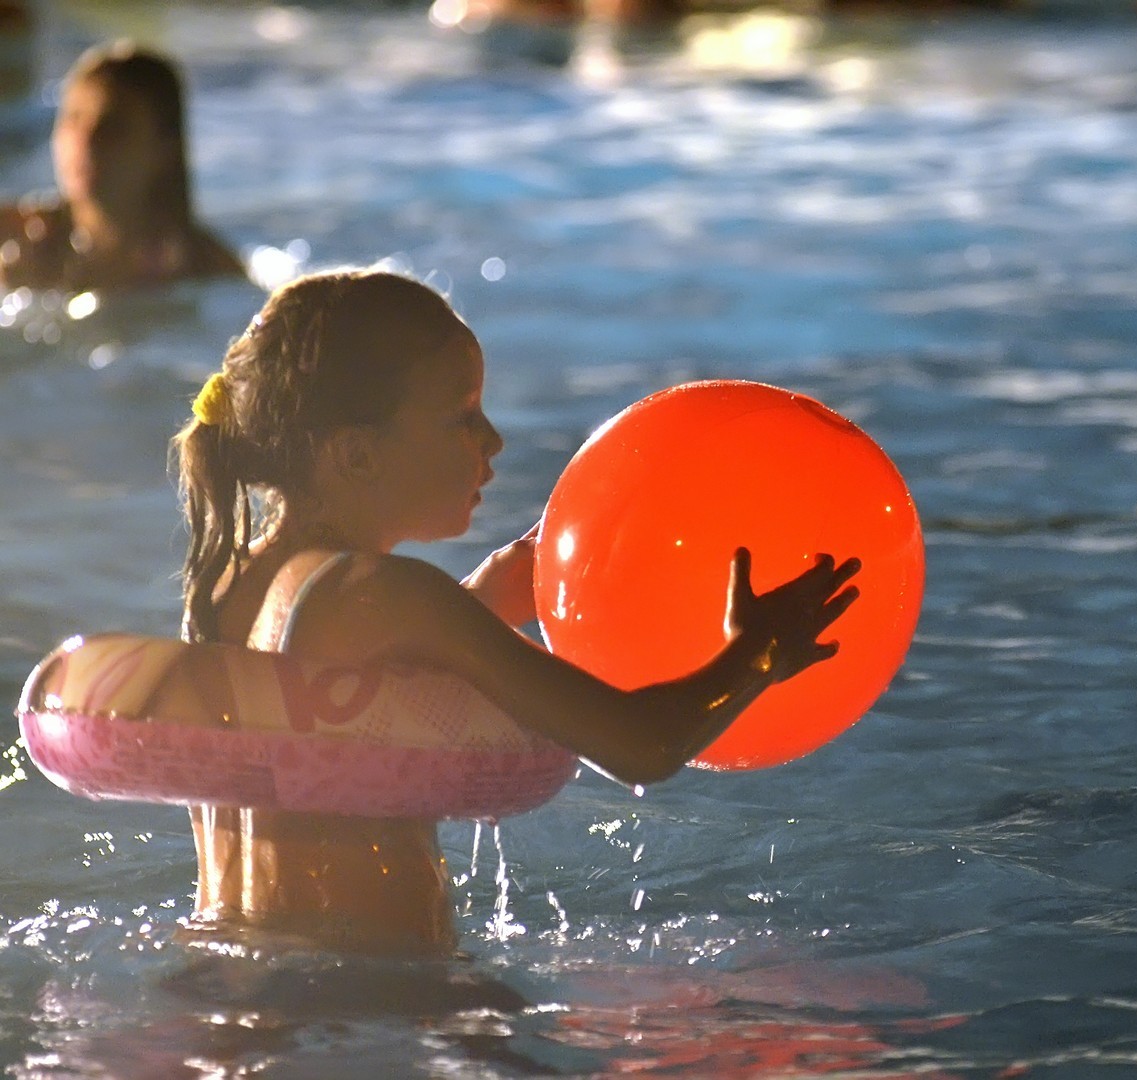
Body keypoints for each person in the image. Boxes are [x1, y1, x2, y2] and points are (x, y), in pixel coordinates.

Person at [168, 269, 860, 957]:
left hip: (236, 971)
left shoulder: (229, 584)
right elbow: (641, 743)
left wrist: (480, 603)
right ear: (356, 454)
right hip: (372, 990)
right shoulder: (392, 593)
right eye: (462, 417)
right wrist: (760, 650)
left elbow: (333, 704)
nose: (493, 439)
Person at [0, 41, 241, 293]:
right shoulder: (19, 238)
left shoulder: (213, 272)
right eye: (74, 118)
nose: (86, 140)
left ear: (164, 148)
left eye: (112, 124)